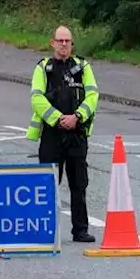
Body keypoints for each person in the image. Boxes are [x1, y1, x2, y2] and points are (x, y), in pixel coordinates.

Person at [26, 25, 99, 243]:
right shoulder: (43, 68)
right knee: (47, 184)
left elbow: (93, 96)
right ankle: (45, 229)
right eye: (60, 41)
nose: (64, 45)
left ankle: (80, 230)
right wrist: (58, 118)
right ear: (52, 43)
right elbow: (36, 98)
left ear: (72, 44)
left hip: (77, 133)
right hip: (52, 134)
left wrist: (76, 116)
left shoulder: (83, 67)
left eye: (68, 41)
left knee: (79, 184)